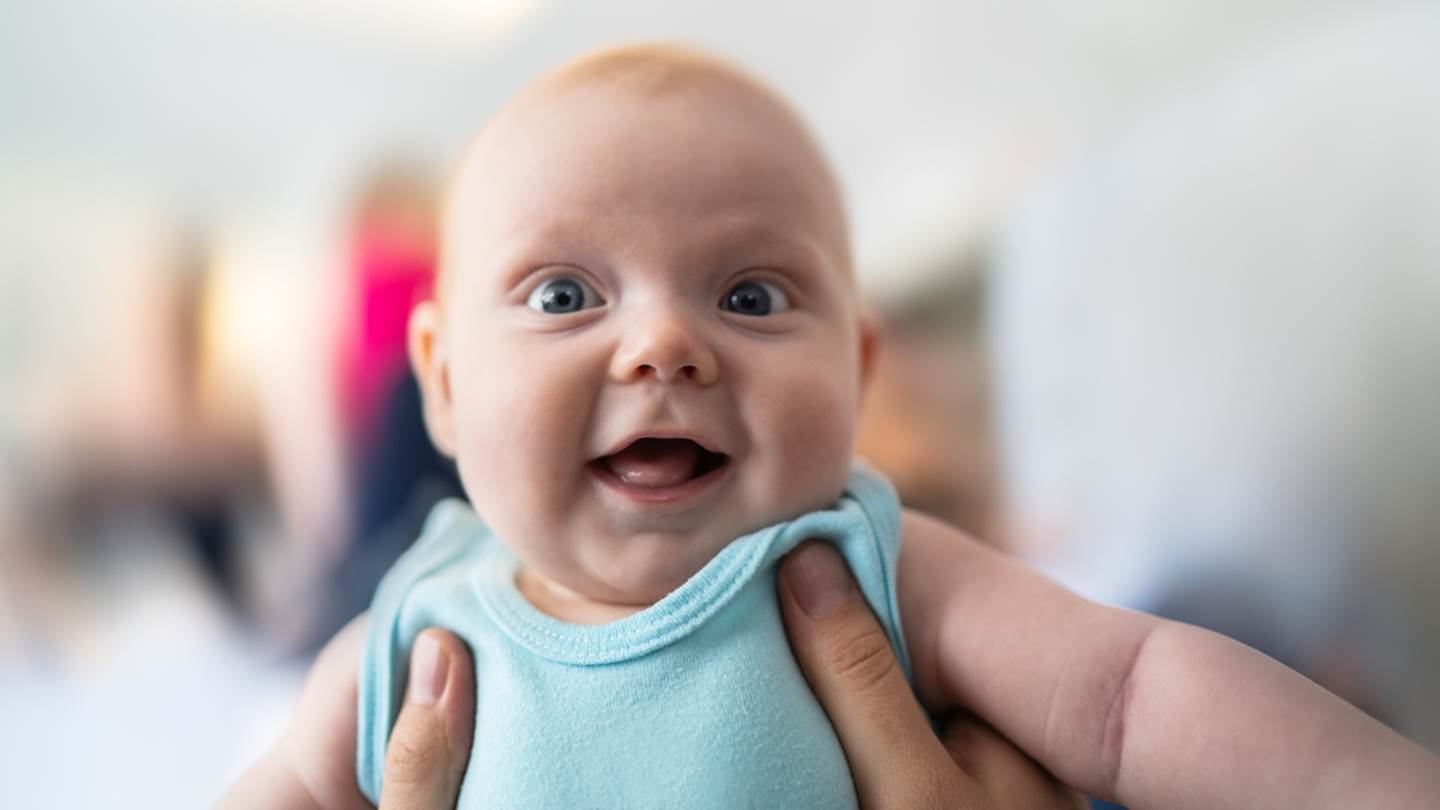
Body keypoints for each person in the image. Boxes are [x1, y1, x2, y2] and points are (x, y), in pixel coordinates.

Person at [221, 44, 1440, 808]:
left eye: (750, 296)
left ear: (855, 371)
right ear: (439, 383)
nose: (663, 345)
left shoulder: (865, 563)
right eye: (564, 295)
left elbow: (1131, 698)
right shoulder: (414, 640)